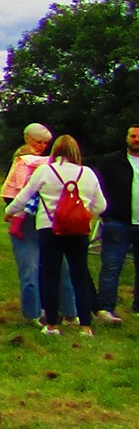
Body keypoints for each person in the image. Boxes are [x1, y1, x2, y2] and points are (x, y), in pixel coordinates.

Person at [6, 135, 105, 333]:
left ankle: (52, 324)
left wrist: (9, 212)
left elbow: (23, 198)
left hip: (49, 228)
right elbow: (101, 205)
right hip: (78, 231)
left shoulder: (44, 171)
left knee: (50, 275)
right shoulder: (87, 173)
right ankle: (85, 326)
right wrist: (83, 216)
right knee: (79, 275)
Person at [0, 123, 75, 324]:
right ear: (27, 139)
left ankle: (66, 310)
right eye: (38, 142)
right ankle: (38, 312)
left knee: (58, 267)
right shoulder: (24, 161)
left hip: (44, 217)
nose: (42, 146)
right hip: (29, 216)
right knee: (33, 268)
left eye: (45, 143)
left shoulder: (41, 163)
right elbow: (16, 191)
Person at [92, 124, 139, 326]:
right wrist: (105, 214)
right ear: (127, 138)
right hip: (117, 223)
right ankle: (106, 309)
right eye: (133, 136)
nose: (137, 139)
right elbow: (97, 186)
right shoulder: (112, 161)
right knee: (111, 267)